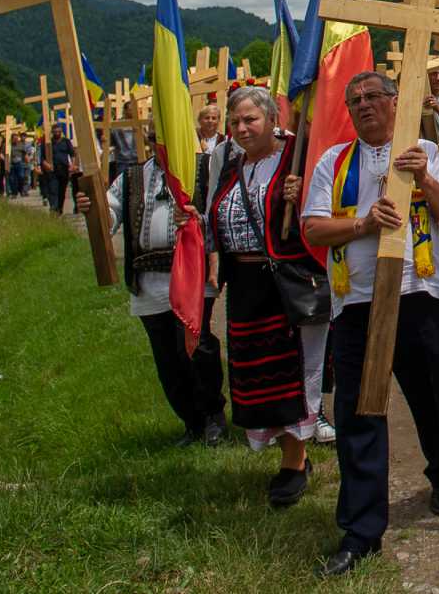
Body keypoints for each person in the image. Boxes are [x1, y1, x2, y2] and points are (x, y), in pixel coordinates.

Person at [302, 71, 439, 577]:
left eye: (373, 96)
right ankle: (361, 530)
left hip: (418, 295)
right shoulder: (335, 161)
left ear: (396, 103)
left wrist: (424, 179)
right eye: (355, 99)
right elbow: (312, 227)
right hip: (356, 305)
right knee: (357, 412)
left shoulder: (425, 151)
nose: (364, 104)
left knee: (432, 393)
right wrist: (363, 224)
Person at [206, 85, 326, 506]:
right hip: (244, 287)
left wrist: (304, 191)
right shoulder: (228, 163)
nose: (241, 128)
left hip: (284, 283)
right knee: (257, 375)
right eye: (235, 121)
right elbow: (215, 214)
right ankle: (287, 451)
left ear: (273, 118)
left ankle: (295, 461)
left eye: (249, 119)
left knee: (290, 373)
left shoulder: (298, 156)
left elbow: (323, 208)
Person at [78, 156, 228, 448]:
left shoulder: (203, 167)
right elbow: (110, 216)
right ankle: (191, 422)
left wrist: (199, 222)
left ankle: (213, 417)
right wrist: (94, 210)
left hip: (190, 277)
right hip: (149, 281)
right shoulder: (132, 177)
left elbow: (219, 212)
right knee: (167, 360)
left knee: (196, 351)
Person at [41, 123, 78, 214]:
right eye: (55, 132)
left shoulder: (66, 141)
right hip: (52, 170)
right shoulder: (48, 143)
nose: (57, 133)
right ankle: (54, 208)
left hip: (64, 169)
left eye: (59, 131)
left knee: (62, 191)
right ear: (52, 132)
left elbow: (72, 154)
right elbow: (42, 157)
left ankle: (60, 208)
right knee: (53, 189)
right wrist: (46, 164)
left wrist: (72, 165)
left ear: (61, 132)